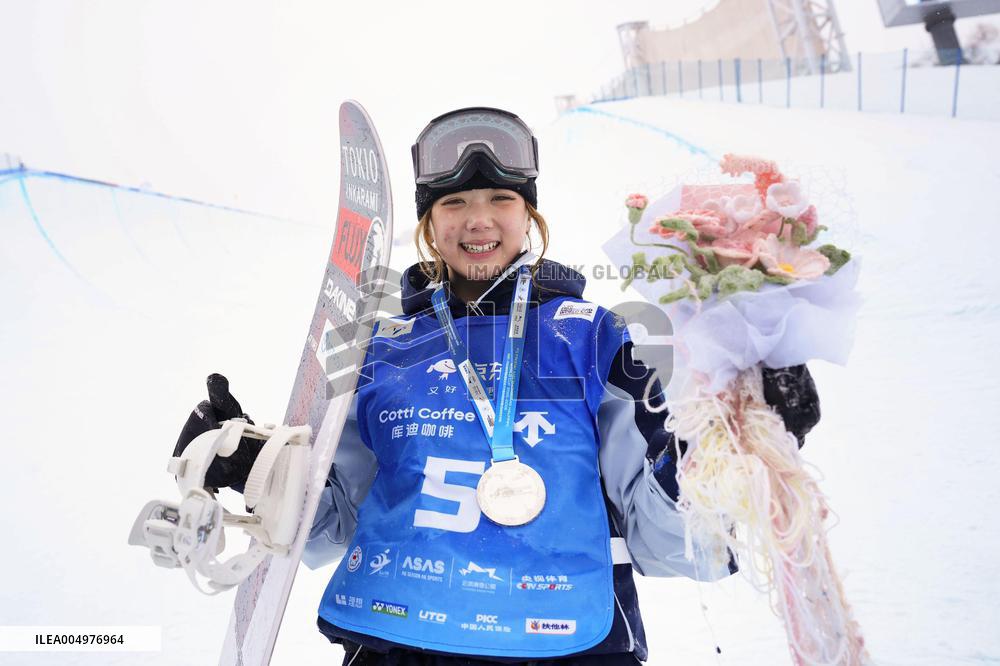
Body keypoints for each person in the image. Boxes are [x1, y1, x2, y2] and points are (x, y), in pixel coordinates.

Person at [175, 107, 821, 665]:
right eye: (454, 202)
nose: (477, 220)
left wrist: (740, 450)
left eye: (500, 200)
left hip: (568, 643)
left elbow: (674, 543)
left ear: (528, 214)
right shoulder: (379, 348)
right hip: (400, 640)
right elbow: (335, 523)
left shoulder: (597, 338)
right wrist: (256, 469)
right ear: (428, 222)